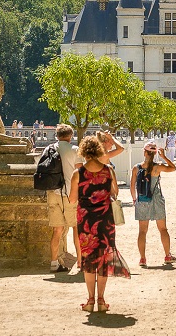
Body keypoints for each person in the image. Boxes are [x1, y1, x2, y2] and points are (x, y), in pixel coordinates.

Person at [69, 134, 131, 312]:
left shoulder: (78, 174)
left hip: (86, 220)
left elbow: (73, 199)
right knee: (103, 259)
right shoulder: (108, 171)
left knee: (89, 259)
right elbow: (114, 193)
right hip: (105, 219)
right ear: (98, 150)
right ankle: (102, 301)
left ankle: (90, 301)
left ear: (84, 152)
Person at [132, 141, 176, 267]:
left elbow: (132, 186)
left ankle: (142, 258)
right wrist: (164, 157)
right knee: (163, 229)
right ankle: (168, 255)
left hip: (142, 200)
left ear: (144, 152)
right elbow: (173, 168)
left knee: (142, 231)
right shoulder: (157, 167)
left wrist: (135, 200)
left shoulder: (136, 168)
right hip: (157, 199)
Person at [47, 124, 80, 273]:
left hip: (53, 193)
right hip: (69, 193)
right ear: (70, 136)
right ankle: (80, 261)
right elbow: (79, 173)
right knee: (76, 228)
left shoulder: (49, 149)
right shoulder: (74, 150)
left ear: (57, 135)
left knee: (57, 231)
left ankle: (54, 263)